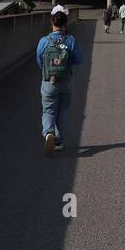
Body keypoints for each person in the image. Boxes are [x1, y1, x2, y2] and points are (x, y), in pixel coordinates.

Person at [36, 11, 82, 155]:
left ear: (52, 22)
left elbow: (39, 61)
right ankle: (59, 141)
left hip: (49, 82)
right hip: (66, 81)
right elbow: (78, 59)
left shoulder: (44, 41)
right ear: (65, 24)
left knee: (48, 110)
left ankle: (49, 133)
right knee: (62, 111)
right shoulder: (70, 40)